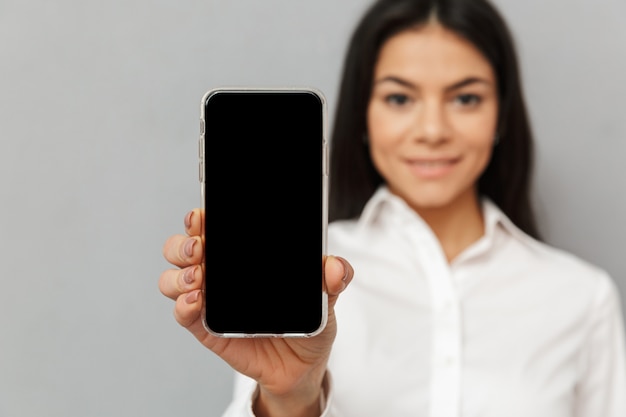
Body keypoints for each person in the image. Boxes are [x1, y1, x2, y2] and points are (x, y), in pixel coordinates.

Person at [159, 0, 626, 415]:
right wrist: (291, 397)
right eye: (399, 98)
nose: (432, 129)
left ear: (501, 115)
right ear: (363, 114)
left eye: (466, 98)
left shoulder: (581, 298)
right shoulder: (305, 274)